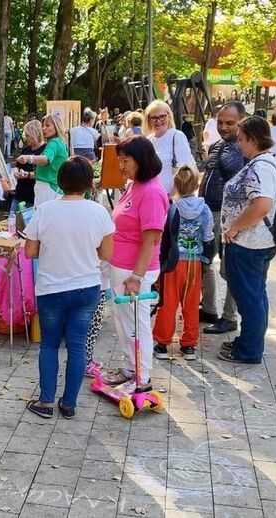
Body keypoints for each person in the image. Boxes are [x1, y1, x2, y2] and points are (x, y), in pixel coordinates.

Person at [23, 157, 114, 419]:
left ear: (60, 182)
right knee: (77, 345)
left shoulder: (45, 210)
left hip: (51, 287)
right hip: (86, 287)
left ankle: (46, 401)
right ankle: (70, 403)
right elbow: (106, 253)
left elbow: (30, 251)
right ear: (89, 184)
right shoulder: (98, 212)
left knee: (49, 345)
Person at [100, 136, 169, 391]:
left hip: (135, 271)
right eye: (120, 160)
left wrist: (137, 277)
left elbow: (150, 239)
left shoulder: (151, 192)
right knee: (124, 322)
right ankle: (130, 368)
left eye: (125, 160)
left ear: (141, 160)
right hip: (122, 266)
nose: (122, 165)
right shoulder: (134, 185)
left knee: (137, 325)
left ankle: (142, 378)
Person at [218, 116, 276, 364]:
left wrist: (234, 228)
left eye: (242, 140)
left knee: (249, 298)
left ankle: (249, 350)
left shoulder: (261, 166)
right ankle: (249, 343)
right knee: (255, 295)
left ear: (254, 140)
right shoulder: (265, 162)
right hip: (255, 242)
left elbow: (262, 204)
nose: (239, 145)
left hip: (249, 243)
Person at [152, 165, 214, 361]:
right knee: (191, 303)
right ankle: (188, 345)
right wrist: (206, 259)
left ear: (176, 185)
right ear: (196, 185)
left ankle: (162, 343)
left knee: (168, 303)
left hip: (173, 262)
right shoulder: (204, 209)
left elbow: (164, 237)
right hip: (194, 263)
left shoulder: (171, 208)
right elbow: (208, 235)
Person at [198, 102, 246, 332]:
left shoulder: (244, 148)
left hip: (227, 217)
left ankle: (229, 317)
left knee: (229, 269)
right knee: (203, 261)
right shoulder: (217, 145)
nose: (224, 127)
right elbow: (208, 176)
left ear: (241, 122)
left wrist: (235, 223)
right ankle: (209, 309)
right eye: (220, 122)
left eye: (230, 123)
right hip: (207, 212)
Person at [144, 100, 196, 195]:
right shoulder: (149, 140)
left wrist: (171, 196)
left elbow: (186, 169)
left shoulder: (176, 136)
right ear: (148, 120)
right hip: (153, 196)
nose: (158, 120)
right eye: (154, 117)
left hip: (171, 197)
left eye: (162, 116)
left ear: (169, 116)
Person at [17, 114, 69, 204]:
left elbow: (46, 159)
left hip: (48, 189)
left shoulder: (54, 143)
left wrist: (29, 158)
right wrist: (28, 174)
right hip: (51, 187)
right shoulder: (58, 142)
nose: (43, 128)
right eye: (43, 126)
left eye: (48, 125)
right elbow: (49, 170)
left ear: (56, 127)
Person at [11, 120, 45, 209]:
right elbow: (17, 166)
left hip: (33, 196)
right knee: (13, 220)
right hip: (19, 193)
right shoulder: (26, 149)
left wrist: (27, 175)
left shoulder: (45, 151)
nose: (26, 138)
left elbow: (43, 174)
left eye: (28, 136)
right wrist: (16, 172)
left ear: (35, 134)